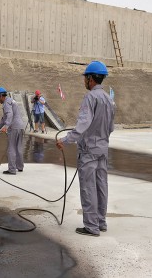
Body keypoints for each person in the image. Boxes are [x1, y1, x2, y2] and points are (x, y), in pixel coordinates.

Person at [56, 61, 115, 237]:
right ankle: (101, 222)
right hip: (102, 149)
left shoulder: (90, 98)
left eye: (85, 78)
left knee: (88, 187)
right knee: (101, 185)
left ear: (90, 79)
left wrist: (65, 140)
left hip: (89, 150)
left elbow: (83, 124)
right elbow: (111, 127)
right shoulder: (109, 100)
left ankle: (91, 226)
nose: (84, 81)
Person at [0, 87, 25, 175]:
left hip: (13, 127)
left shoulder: (6, 103)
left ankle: (12, 169)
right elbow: (3, 119)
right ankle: (20, 167)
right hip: (21, 126)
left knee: (11, 148)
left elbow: (9, 115)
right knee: (19, 147)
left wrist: (6, 126)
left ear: (1, 95)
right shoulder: (11, 101)